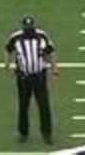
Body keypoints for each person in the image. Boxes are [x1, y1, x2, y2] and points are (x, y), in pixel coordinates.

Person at [5, 15, 58, 144]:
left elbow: (49, 52)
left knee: (43, 104)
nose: (29, 30)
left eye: (31, 27)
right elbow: (8, 49)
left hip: (39, 75)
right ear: (23, 27)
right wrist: (7, 64)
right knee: (23, 105)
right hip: (23, 76)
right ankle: (23, 133)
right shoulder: (16, 37)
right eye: (27, 28)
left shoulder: (41, 36)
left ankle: (47, 134)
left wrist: (54, 68)